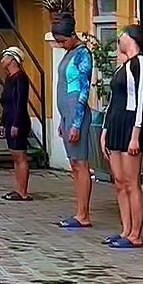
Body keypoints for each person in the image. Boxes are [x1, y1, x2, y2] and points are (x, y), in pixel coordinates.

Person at [101, 27, 143, 250]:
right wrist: (105, 130)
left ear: (131, 38)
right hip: (116, 124)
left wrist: (136, 134)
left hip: (130, 125)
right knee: (120, 181)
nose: (118, 40)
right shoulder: (123, 66)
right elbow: (113, 100)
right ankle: (126, 229)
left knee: (132, 182)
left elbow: (141, 100)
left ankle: (136, 234)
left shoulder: (140, 63)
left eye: (122, 36)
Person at [53, 15, 96, 230]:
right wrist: (63, 120)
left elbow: (83, 90)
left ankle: (83, 214)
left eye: (63, 41)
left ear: (72, 35)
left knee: (81, 163)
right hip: (67, 114)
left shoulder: (83, 54)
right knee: (74, 164)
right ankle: (79, 211)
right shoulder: (69, 53)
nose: (61, 45)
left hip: (77, 113)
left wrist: (76, 123)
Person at [0, 47, 32, 201]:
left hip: (19, 121)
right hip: (9, 119)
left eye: (5, 57)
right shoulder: (9, 78)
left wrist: (16, 123)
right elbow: (6, 104)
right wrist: (3, 123)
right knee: (15, 156)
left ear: (13, 59)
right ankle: (19, 188)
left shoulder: (21, 78)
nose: (2, 60)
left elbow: (20, 102)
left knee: (20, 155)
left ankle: (23, 192)